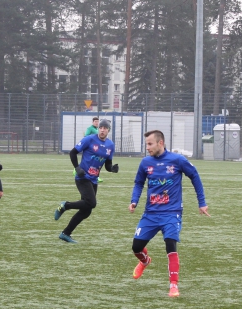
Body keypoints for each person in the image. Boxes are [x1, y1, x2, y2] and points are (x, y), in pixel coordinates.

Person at [129, 129, 209, 298]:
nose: (148, 147)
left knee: (170, 243)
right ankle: (145, 261)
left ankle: (173, 285)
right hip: (150, 213)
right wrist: (134, 200)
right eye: (146, 144)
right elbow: (138, 183)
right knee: (136, 247)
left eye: (150, 144)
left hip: (172, 213)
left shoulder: (177, 160)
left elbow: (194, 176)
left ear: (161, 143)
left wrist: (202, 202)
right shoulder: (145, 163)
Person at [53, 119, 119, 243]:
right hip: (82, 177)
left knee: (87, 210)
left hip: (94, 179)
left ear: (108, 130)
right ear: (98, 128)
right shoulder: (89, 139)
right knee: (91, 203)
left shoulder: (110, 145)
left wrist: (112, 169)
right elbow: (73, 153)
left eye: (105, 128)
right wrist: (77, 168)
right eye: (101, 127)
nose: (102, 130)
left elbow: (107, 164)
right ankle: (65, 205)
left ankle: (65, 233)